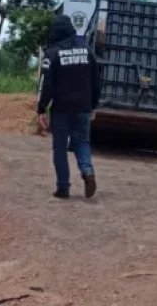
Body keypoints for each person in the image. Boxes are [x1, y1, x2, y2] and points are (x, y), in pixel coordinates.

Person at [37, 14, 101, 199]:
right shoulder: (87, 51)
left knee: (59, 147)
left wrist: (41, 108)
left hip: (61, 109)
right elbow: (96, 81)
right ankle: (87, 171)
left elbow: (46, 83)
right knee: (82, 142)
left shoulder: (52, 53)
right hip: (83, 107)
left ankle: (63, 188)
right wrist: (93, 105)